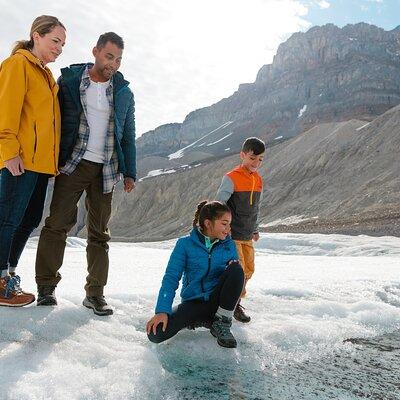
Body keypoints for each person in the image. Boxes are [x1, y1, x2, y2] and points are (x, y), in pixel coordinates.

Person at [34, 32, 136, 316]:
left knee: (100, 234)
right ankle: (46, 288)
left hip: (106, 170)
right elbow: (51, 120)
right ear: (96, 51)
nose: (113, 64)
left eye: (117, 59)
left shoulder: (124, 92)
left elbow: (128, 135)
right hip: (73, 164)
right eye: (108, 56)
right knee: (57, 225)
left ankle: (95, 294)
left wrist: (130, 172)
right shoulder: (70, 81)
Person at [0, 15, 66, 307]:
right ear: (36, 36)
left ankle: (8, 274)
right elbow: (5, 111)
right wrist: (8, 150)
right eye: (55, 40)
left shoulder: (46, 76)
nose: (59, 48)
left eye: (63, 44)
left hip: (40, 165)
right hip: (20, 160)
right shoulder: (18, 65)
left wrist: (52, 161)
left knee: (28, 220)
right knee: (8, 219)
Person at [146, 201, 244, 348]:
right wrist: (162, 311)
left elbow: (234, 278)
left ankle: (222, 323)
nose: (228, 229)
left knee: (236, 269)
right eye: (224, 223)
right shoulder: (184, 245)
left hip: (217, 303)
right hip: (193, 304)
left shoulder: (229, 245)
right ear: (208, 223)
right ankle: (202, 320)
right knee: (156, 333)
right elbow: (171, 279)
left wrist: (233, 268)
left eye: (229, 224)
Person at [215, 137, 265, 323]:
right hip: (233, 234)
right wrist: (222, 227)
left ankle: (234, 301)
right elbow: (220, 205)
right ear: (242, 155)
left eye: (260, 159)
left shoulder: (258, 180)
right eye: (252, 158)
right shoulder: (231, 177)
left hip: (247, 234)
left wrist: (255, 228)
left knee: (250, 270)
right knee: (240, 270)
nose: (256, 163)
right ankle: (233, 305)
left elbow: (255, 208)